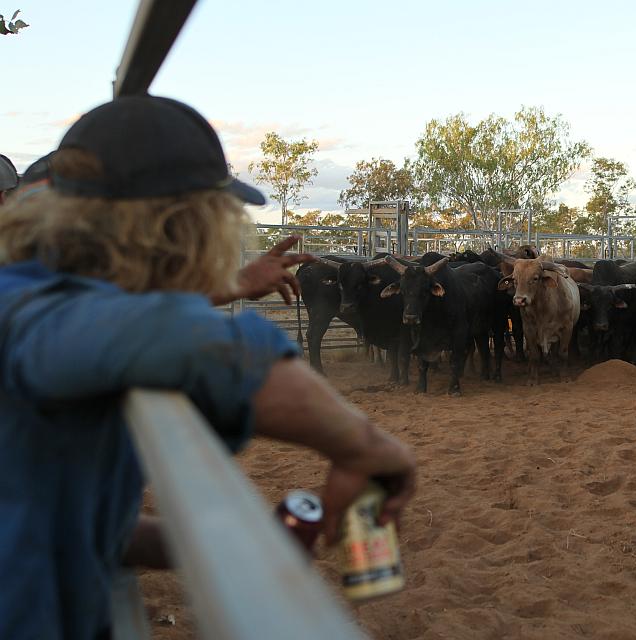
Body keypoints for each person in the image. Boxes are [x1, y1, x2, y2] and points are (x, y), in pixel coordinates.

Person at [0, 95, 416, 639]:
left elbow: (82, 526)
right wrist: (367, 447)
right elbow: (205, 347)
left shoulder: (42, 302)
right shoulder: (32, 313)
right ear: (178, 226)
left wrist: (233, 541)